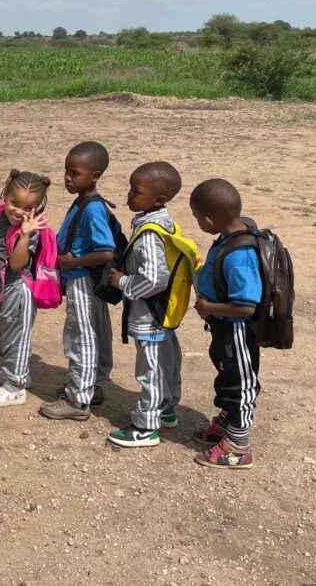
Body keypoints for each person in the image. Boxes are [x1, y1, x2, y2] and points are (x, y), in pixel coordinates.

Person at [105, 162, 184, 447]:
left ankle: (145, 426)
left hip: (149, 316)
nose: (129, 195)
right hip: (165, 313)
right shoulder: (166, 223)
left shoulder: (149, 234)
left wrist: (122, 282)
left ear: (158, 199)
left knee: (149, 369)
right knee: (166, 363)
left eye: (136, 191)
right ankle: (166, 408)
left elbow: (154, 279)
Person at [40, 141, 117, 421]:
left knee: (80, 337)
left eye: (75, 173)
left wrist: (72, 262)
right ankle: (91, 386)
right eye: (66, 172)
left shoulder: (93, 208)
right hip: (83, 281)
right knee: (92, 334)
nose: (68, 179)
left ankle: (77, 399)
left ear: (95, 175)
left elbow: (106, 250)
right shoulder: (85, 202)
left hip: (83, 282)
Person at [190, 179, 262, 470]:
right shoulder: (230, 233)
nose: (198, 223)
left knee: (240, 382)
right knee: (225, 372)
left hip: (238, 330)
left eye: (198, 219)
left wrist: (207, 306)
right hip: (223, 327)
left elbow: (246, 305)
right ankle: (227, 422)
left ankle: (239, 444)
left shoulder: (239, 255)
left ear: (209, 219)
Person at [0, 170, 52, 407]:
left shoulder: (30, 230)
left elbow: (18, 264)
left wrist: (25, 236)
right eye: (14, 203)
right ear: (5, 195)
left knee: (16, 337)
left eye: (27, 208)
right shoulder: (0, 213)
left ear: (37, 207)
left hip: (18, 289)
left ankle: (15, 385)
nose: (18, 211)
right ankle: (15, 369)